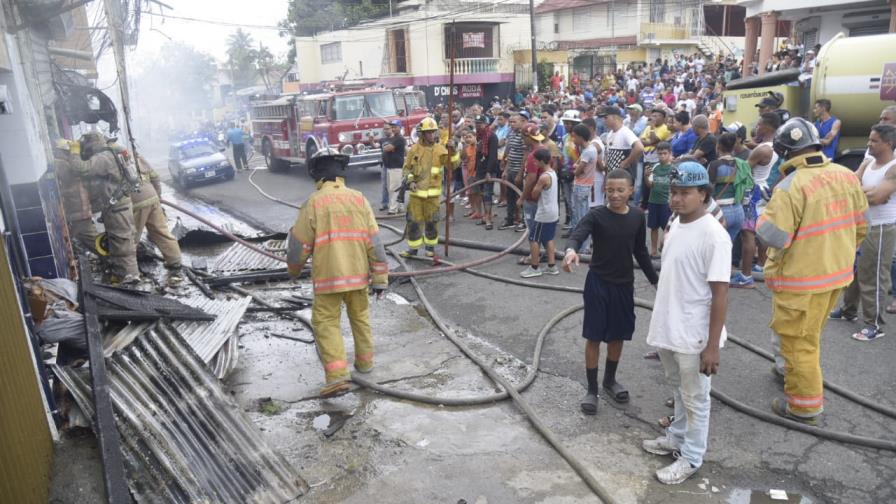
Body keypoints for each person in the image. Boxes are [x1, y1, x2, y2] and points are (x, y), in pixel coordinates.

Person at [758, 118, 868, 425]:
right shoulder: (846, 175)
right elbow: (862, 227)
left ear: (783, 151)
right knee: (809, 334)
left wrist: (762, 215)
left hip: (801, 282)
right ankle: (787, 371)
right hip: (836, 276)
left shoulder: (790, 186)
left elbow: (772, 237)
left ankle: (804, 407)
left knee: (799, 343)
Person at [642, 161, 730, 485]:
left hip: (695, 334)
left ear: (703, 194)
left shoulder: (714, 236)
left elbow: (720, 294)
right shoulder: (675, 224)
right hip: (670, 325)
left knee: (696, 398)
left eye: (685, 193)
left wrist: (712, 346)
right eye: (674, 193)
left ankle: (691, 457)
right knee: (678, 388)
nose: (677, 199)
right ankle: (676, 437)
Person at [286, 150, 388, 398]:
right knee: (360, 318)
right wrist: (380, 279)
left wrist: (294, 270)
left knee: (325, 323)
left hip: (328, 279)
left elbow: (299, 244)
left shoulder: (314, 202)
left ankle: (337, 376)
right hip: (358, 277)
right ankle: (365, 364)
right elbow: (375, 243)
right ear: (342, 174)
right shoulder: (359, 199)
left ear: (318, 176)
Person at [563, 169, 659, 415]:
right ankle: (592, 388)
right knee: (593, 336)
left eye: (620, 190)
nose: (614, 195)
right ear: (604, 190)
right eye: (610, 190)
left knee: (617, 336)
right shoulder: (597, 216)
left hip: (623, 286)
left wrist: (656, 281)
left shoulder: (637, 217)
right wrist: (571, 251)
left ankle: (610, 380)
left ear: (631, 191)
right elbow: (577, 235)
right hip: (598, 284)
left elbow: (640, 251)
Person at [830, 124, 896, 341]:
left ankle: (874, 324)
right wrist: (862, 192)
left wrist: (858, 192)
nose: (869, 144)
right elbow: (848, 186)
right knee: (853, 271)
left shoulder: (893, 167)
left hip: (881, 228)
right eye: (869, 139)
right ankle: (848, 310)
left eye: (874, 141)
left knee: (874, 276)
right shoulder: (867, 163)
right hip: (860, 225)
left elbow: (877, 198)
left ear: (888, 143)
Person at [78, 133, 140, 284]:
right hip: (119, 206)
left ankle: (131, 279)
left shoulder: (104, 157)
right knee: (121, 242)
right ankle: (125, 277)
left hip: (117, 207)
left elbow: (82, 168)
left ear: (94, 145)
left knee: (122, 246)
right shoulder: (112, 154)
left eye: (88, 149)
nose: (88, 153)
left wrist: (74, 152)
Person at [734, 112, 782, 288]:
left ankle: (746, 276)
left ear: (768, 126)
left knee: (748, 235)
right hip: (766, 191)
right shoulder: (779, 146)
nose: (757, 127)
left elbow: (743, 171)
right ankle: (761, 265)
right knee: (761, 233)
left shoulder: (762, 149)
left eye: (760, 124)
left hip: (753, 192)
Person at [402, 117, 449, 258]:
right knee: (414, 222)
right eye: (428, 132)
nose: (431, 135)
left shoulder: (441, 149)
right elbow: (406, 169)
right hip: (416, 195)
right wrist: (410, 182)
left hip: (433, 196)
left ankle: (430, 248)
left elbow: (453, 165)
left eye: (433, 132)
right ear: (422, 134)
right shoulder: (414, 149)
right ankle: (413, 249)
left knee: (432, 222)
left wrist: (453, 151)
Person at [132, 155, 183, 280]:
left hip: (135, 202)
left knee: (130, 238)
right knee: (161, 231)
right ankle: (175, 261)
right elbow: (155, 177)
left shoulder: (109, 160)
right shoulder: (138, 157)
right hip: (153, 198)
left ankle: (131, 273)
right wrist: (158, 197)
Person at [520, 148, 560, 278]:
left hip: (544, 213)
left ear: (542, 161)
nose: (535, 164)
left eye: (536, 161)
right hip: (553, 212)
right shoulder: (553, 173)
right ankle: (552, 266)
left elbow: (534, 194)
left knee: (533, 239)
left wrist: (530, 191)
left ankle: (534, 267)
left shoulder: (543, 177)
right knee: (548, 238)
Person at [53, 139, 98, 251]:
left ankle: (115, 260)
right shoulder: (68, 164)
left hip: (77, 215)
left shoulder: (62, 164)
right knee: (95, 243)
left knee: (96, 245)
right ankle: (114, 260)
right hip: (80, 214)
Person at [599, 106, 645, 203]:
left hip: (624, 180)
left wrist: (626, 162)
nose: (604, 121)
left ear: (614, 117)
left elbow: (639, 147)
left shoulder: (625, 132)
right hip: (612, 179)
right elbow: (608, 154)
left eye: (606, 118)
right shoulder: (610, 133)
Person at [707, 133, 745, 242]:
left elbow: (708, 189)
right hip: (738, 210)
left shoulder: (714, 164)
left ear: (718, 146)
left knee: (716, 247)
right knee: (728, 247)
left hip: (721, 211)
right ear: (733, 147)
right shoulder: (741, 164)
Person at [569, 124, 599, 252]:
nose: (573, 139)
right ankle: (586, 244)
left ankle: (584, 247)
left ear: (581, 137)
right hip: (585, 185)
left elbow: (577, 170)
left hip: (582, 186)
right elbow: (577, 164)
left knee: (581, 217)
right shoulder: (590, 149)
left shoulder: (587, 151)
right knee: (582, 215)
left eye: (575, 137)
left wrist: (575, 169)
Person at [646, 142, 674, 257]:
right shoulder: (655, 167)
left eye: (665, 153)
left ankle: (666, 249)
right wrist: (646, 176)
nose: (662, 156)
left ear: (670, 153)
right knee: (653, 227)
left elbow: (675, 186)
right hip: (653, 201)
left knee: (667, 228)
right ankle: (653, 250)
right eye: (660, 153)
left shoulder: (673, 169)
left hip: (665, 202)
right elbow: (650, 185)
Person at [500, 113, 527, 230]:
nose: (511, 124)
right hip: (511, 169)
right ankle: (510, 219)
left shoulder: (524, 135)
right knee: (510, 195)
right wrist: (505, 169)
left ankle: (524, 221)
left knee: (521, 196)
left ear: (522, 121)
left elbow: (525, 156)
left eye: (514, 122)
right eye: (510, 122)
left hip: (519, 171)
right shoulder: (511, 134)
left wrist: (520, 174)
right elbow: (510, 152)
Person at [474, 115, 499, 229]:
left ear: (486, 124)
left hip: (489, 169)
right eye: (477, 123)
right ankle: (485, 216)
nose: (478, 125)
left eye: (480, 123)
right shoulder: (479, 136)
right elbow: (478, 155)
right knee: (482, 193)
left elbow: (493, 156)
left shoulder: (492, 137)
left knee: (488, 193)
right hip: (480, 169)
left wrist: (488, 171)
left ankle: (489, 218)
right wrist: (476, 170)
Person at [378, 121, 407, 214]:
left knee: (395, 188)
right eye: (392, 127)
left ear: (400, 127)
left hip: (396, 167)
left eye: (395, 127)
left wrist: (389, 147)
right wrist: (389, 147)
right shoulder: (394, 138)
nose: (393, 129)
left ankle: (393, 209)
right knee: (395, 188)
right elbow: (386, 148)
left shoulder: (399, 139)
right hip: (390, 167)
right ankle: (399, 207)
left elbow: (386, 148)